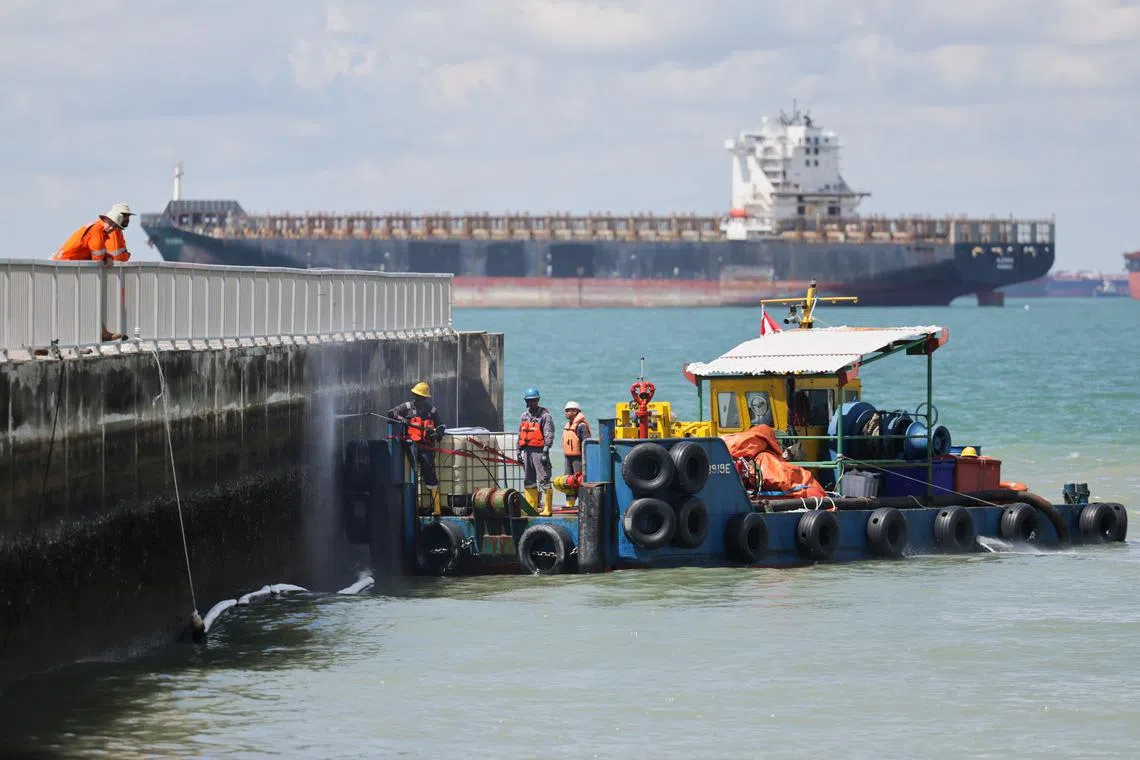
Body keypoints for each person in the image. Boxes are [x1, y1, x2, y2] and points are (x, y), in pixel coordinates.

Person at [52, 203, 135, 341]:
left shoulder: (99, 230)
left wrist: (107, 257)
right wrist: (107, 257)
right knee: (77, 304)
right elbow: (97, 254)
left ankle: (84, 338)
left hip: (70, 267)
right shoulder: (97, 231)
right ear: (107, 220)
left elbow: (101, 253)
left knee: (86, 301)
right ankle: (71, 340)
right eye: (113, 226)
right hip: (65, 267)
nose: (113, 229)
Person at [388, 381, 447, 516]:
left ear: (425, 398)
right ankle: (409, 506)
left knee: (430, 475)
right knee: (408, 476)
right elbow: (391, 412)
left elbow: (442, 426)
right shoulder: (407, 407)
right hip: (409, 446)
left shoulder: (431, 411)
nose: (416, 398)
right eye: (415, 395)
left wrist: (437, 433)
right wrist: (401, 419)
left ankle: (437, 508)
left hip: (426, 447)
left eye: (419, 396)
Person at [517, 387, 555, 516]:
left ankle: (548, 509)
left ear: (538, 400)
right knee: (529, 480)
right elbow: (520, 434)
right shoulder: (524, 416)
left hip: (540, 451)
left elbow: (549, 433)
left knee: (544, 478)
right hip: (527, 451)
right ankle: (531, 507)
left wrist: (545, 451)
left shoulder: (545, 416)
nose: (531, 403)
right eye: (529, 400)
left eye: (534, 400)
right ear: (526, 401)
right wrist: (518, 451)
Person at [561, 401, 591, 507]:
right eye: (566, 411)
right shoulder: (568, 425)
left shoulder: (581, 426)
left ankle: (582, 505)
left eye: (568, 411)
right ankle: (570, 504)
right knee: (568, 482)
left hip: (578, 458)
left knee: (579, 481)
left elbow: (586, 443)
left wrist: (585, 460)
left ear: (575, 411)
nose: (566, 413)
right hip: (568, 458)